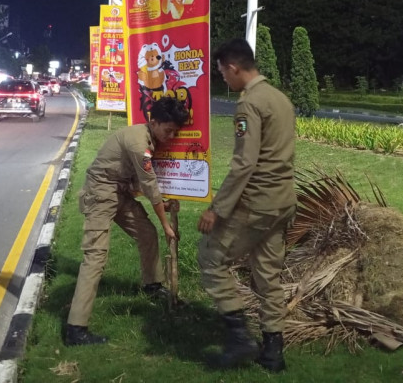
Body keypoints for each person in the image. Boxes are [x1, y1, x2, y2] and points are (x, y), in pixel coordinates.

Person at [197, 38, 298, 372]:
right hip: (283, 201)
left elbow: (244, 164)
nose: (223, 78)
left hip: (256, 202)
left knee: (211, 258)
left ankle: (239, 338)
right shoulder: (280, 99)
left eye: (222, 72)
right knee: (268, 275)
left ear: (233, 67)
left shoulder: (250, 103)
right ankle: (273, 354)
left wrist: (217, 208)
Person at [65, 96, 189, 346]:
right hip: (100, 194)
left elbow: (133, 180)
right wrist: (166, 223)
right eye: (168, 130)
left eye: (175, 131)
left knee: (146, 233)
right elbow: (149, 183)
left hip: (119, 192)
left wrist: (161, 208)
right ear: (153, 122)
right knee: (96, 257)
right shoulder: (137, 142)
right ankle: (75, 329)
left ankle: (152, 285)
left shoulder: (147, 138)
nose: (171, 136)